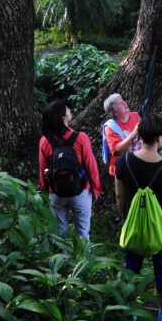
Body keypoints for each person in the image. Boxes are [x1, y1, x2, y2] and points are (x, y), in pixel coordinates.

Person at [115, 113, 162, 321]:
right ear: (161, 138)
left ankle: (130, 311)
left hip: (134, 227)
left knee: (131, 268)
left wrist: (127, 218)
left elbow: (119, 195)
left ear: (140, 134)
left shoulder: (124, 161)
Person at [38, 100, 101, 239]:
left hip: (56, 193)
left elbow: (43, 168)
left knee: (61, 234)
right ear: (63, 117)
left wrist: (45, 189)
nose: (69, 110)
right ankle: (83, 260)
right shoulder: (81, 138)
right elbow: (91, 165)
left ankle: (64, 260)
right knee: (83, 233)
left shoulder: (44, 141)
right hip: (80, 192)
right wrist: (96, 189)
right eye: (66, 109)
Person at [103, 93, 142, 176]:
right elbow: (117, 150)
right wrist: (135, 133)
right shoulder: (110, 126)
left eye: (123, 101)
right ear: (115, 112)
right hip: (123, 169)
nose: (125, 103)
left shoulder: (136, 116)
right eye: (120, 103)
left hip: (139, 163)